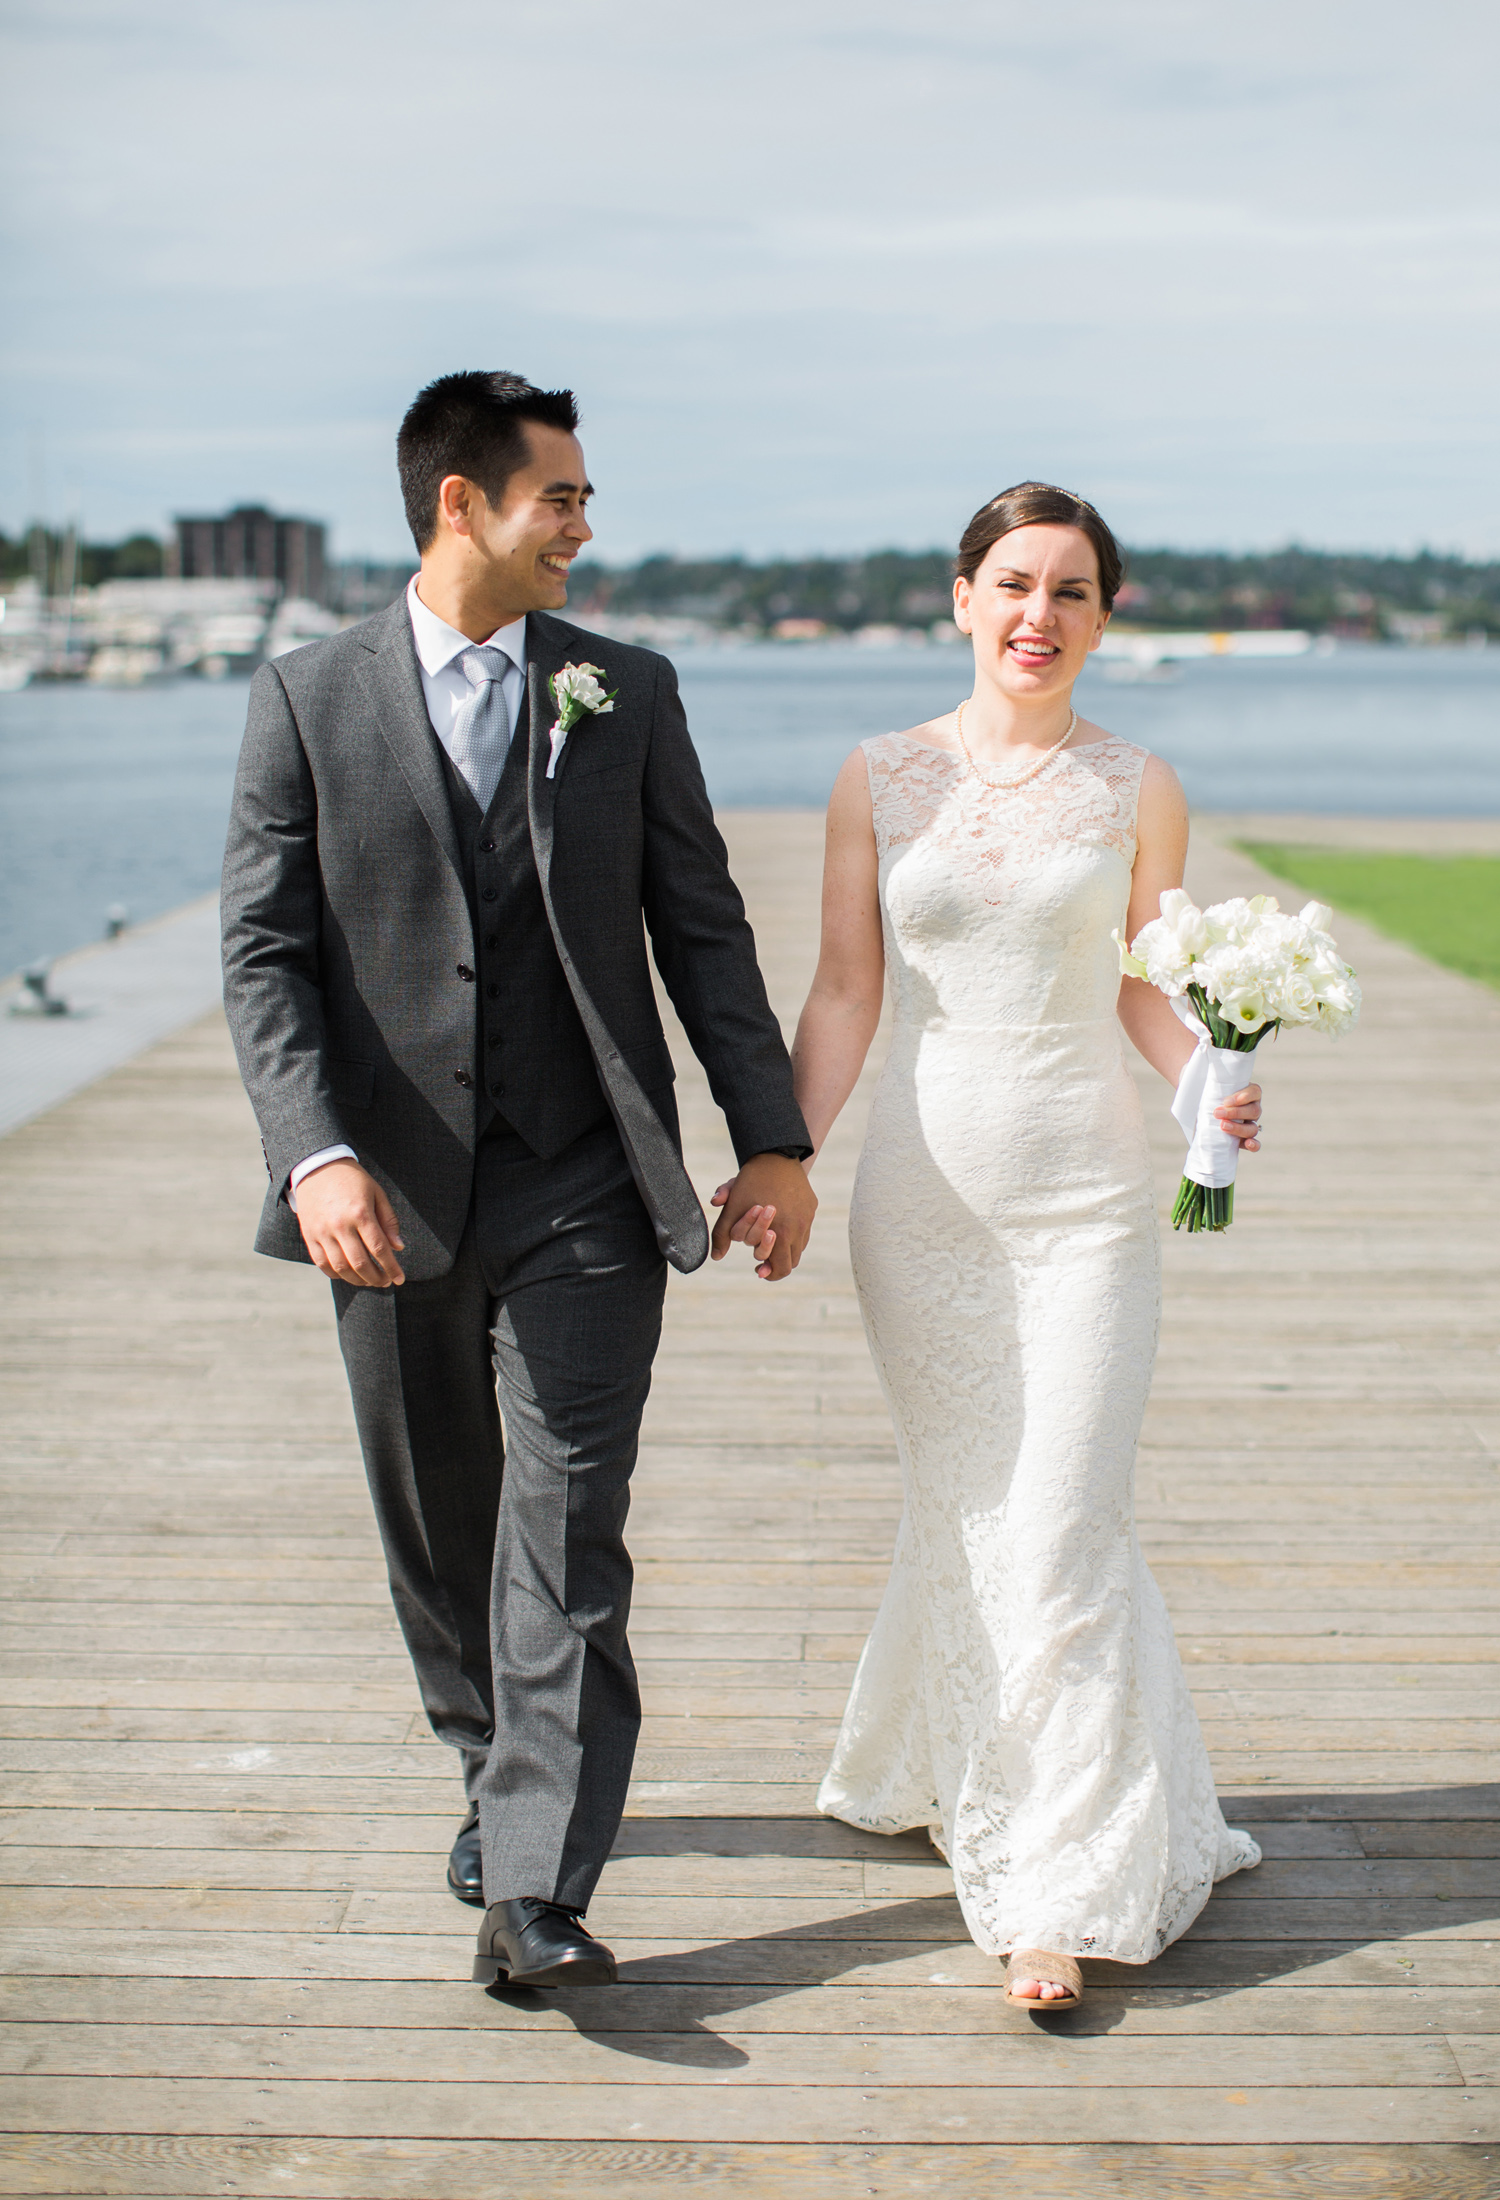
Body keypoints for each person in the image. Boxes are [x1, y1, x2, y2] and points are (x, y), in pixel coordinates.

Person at [221, 370, 816, 1991]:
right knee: (439, 1514)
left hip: (584, 1186)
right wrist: (314, 1151)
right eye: (559, 497)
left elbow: (701, 927)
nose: (584, 528)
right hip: (385, 1196)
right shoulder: (304, 698)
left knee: (566, 1528)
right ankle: (486, 1756)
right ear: (460, 504)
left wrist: (769, 1138)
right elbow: (264, 957)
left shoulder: (624, 690)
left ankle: (538, 1890)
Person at [782, 481, 1262, 2012]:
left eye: (1070, 591)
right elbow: (847, 991)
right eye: (1012, 583)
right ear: (961, 598)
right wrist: (781, 1152)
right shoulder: (880, 777)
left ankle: (1052, 1887)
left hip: (1087, 1208)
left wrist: (1210, 1080)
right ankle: (938, 1758)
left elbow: (1144, 987)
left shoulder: (1138, 783)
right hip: (918, 1207)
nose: (1037, 615)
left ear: (1105, 618)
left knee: (1060, 1523)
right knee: (969, 1503)